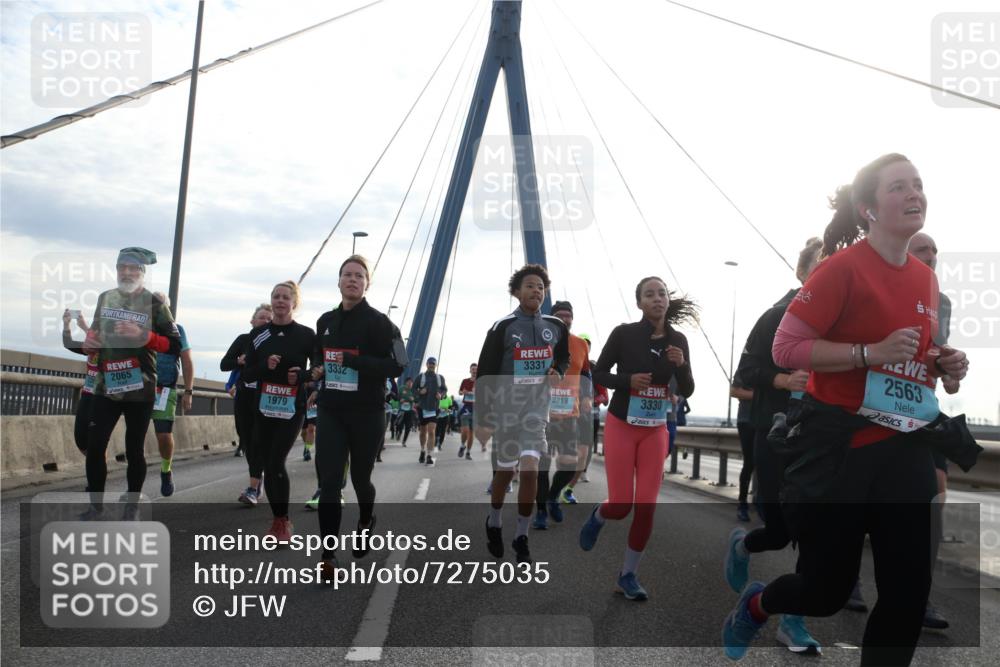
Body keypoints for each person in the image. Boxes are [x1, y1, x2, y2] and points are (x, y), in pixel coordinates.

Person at [722, 154, 972, 665]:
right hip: (841, 453)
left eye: (918, 185)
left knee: (906, 595)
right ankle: (759, 603)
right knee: (825, 592)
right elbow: (786, 349)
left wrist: (944, 365)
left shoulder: (926, 279)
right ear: (868, 208)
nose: (914, 194)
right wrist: (869, 353)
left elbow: (913, 360)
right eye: (898, 186)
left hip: (906, 451)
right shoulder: (842, 269)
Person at [723, 237, 824, 655]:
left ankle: (793, 622)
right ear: (802, 273)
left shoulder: (844, 322)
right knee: (781, 532)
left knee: (814, 530)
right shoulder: (777, 316)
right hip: (776, 433)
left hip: (821, 438)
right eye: (821, 265)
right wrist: (784, 380)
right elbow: (746, 371)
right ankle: (743, 544)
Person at [580, 276, 696, 600]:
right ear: (640, 303)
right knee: (620, 505)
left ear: (667, 301)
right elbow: (599, 373)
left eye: (661, 293)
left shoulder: (678, 341)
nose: (657, 299)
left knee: (646, 506)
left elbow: (687, 388)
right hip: (621, 424)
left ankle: (627, 576)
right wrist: (629, 380)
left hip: (655, 429)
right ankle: (599, 515)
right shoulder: (624, 334)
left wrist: (682, 366)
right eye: (649, 294)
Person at [310, 255, 407, 577]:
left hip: (367, 412)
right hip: (331, 410)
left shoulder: (382, 323)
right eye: (347, 275)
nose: (352, 280)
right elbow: (317, 359)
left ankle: (366, 521)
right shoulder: (324, 321)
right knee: (329, 483)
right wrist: (316, 370)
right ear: (338, 282)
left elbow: (399, 364)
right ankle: (328, 555)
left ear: (367, 284)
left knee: (361, 479)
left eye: (359, 276)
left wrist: (358, 362)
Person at [475, 264, 570, 564]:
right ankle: (494, 520)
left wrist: (558, 371)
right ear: (516, 292)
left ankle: (521, 536)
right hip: (506, 411)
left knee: (530, 469)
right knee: (505, 473)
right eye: (529, 286)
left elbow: (563, 357)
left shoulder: (555, 326)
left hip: (536, 412)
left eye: (541, 287)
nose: (536, 291)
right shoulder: (501, 327)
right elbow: (486, 372)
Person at [83, 247, 181, 514]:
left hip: (141, 386)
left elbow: (174, 345)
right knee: (95, 446)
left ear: (142, 272)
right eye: (121, 268)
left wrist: (144, 335)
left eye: (132, 268)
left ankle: (133, 499)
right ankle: (95, 506)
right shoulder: (106, 298)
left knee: (134, 448)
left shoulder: (154, 303)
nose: (126, 273)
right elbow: (95, 333)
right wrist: (90, 343)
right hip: (107, 384)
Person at [240, 281, 315, 541]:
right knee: (269, 465)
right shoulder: (258, 335)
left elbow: (319, 370)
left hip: (293, 408)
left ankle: (282, 523)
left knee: (275, 461)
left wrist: (303, 375)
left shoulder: (306, 335)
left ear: (294, 303)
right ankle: (279, 519)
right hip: (264, 407)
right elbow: (247, 372)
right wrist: (265, 366)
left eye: (285, 297)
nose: (280, 301)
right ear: (271, 301)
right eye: (276, 297)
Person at [906, 231, 952, 631]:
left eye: (936, 250)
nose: (932, 255)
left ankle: (922, 595)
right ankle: (846, 579)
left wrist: (951, 370)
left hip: (922, 410)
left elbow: (936, 353)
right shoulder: (881, 285)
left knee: (936, 497)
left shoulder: (943, 302)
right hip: (874, 410)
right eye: (923, 249)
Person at [533, 300, 591, 529]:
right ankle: (539, 513)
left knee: (568, 463)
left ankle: (553, 496)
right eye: (560, 315)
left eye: (569, 315)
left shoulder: (580, 344)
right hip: (542, 414)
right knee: (542, 466)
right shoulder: (540, 340)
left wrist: (586, 396)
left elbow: (586, 373)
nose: (565, 319)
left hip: (569, 413)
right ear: (552, 318)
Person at [221, 304, 273, 504]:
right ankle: (258, 476)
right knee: (247, 439)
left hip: (266, 397)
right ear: (252, 321)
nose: (265, 321)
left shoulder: (275, 341)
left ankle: (253, 486)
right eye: (261, 318)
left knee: (259, 440)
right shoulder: (243, 340)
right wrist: (239, 362)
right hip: (245, 395)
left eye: (269, 319)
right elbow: (224, 364)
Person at [150, 292, 194, 497]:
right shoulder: (139, 328)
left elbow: (186, 360)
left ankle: (166, 470)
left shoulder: (177, 330)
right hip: (140, 388)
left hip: (164, 388)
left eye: (159, 306)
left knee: (163, 434)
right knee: (134, 436)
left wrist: (188, 391)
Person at [62, 309, 97, 457]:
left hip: (105, 398)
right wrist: (66, 325)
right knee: (81, 440)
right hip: (88, 394)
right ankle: (96, 465)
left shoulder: (115, 347)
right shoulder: (90, 348)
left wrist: (84, 327)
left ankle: (96, 473)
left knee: (97, 441)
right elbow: (69, 343)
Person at [729, 381, 754, 522]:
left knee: (766, 463)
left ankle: (763, 503)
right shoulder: (747, 363)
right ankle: (742, 505)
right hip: (747, 420)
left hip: (768, 420)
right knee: (749, 463)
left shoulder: (778, 365)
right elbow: (734, 391)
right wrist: (758, 396)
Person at [415, 357, 446, 466]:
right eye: (430, 363)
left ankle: (429, 455)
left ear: (435, 365)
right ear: (427, 364)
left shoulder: (440, 378)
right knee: (423, 431)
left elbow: (444, 389)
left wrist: (441, 395)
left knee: (432, 431)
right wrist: (420, 392)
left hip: (434, 408)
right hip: (422, 408)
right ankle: (422, 450)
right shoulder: (420, 377)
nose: (431, 365)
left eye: (433, 364)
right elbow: (413, 390)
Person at [457, 364, 477, 459]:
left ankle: (468, 452)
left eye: (476, 369)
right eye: (473, 369)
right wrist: (463, 392)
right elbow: (460, 392)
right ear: (470, 370)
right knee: (465, 430)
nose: (474, 371)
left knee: (471, 433)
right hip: (466, 407)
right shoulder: (465, 381)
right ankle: (462, 445)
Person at [398, 377, 416, 446]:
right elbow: (397, 397)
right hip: (402, 410)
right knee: (400, 425)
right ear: (406, 382)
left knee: (408, 427)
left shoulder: (413, 391)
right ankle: (399, 433)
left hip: (410, 411)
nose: (410, 384)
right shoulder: (401, 389)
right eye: (408, 382)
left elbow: (416, 399)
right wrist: (400, 400)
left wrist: (413, 400)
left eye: (411, 382)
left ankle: (404, 441)